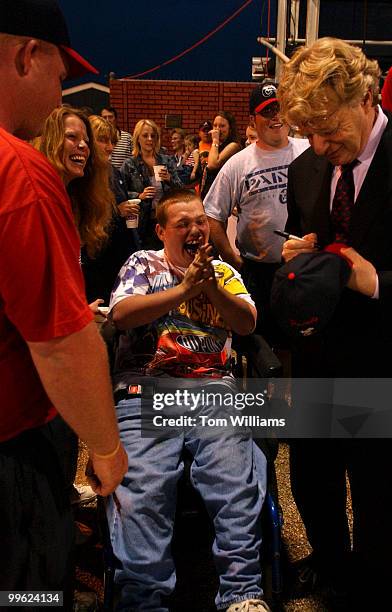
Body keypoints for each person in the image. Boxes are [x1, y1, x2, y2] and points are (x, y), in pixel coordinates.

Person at [0, 0, 127, 598]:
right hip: (13, 445)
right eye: (59, 74)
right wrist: (105, 448)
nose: (59, 94)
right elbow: (60, 345)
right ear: (28, 55)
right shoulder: (20, 174)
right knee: (30, 591)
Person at [107, 188, 270, 612]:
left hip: (212, 388)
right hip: (148, 389)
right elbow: (122, 316)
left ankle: (242, 594)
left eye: (201, 221)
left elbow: (247, 324)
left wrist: (209, 287)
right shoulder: (142, 263)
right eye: (184, 224)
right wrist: (183, 290)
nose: (197, 230)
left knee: (234, 479)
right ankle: (143, 600)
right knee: (144, 489)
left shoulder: (223, 271)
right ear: (162, 231)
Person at [277, 37, 392, 608]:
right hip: (320, 358)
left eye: (329, 127)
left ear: (366, 95)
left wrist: (375, 283)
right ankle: (330, 568)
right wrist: (304, 253)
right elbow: (312, 238)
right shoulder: (305, 168)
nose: (321, 145)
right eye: (310, 133)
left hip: (382, 364)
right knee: (314, 481)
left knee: (377, 492)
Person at [204, 82, 308, 342]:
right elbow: (212, 215)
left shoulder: (308, 150)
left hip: (303, 268)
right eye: (267, 111)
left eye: (279, 109)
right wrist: (234, 260)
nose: (276, 117)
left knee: (300, 339)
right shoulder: (239, 162)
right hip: (258, 272)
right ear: (253, 119)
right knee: (257, 341)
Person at [83, 114, 141, 304]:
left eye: (112, 141)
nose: (110, 146)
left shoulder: (112, 171)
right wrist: (118, 211)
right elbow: (86, 215)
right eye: (102, 140)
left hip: (117, 252)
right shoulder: (83, 174)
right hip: (97, 257)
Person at [120, 118, 182, 249]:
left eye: (153, 136)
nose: (149, 139)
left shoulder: (166, 160)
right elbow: (121, 194)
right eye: (145, 135)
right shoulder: (130, 164)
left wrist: (169, 179)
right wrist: (139, 195)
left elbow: (180, 190)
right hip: (141, 222)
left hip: (164, 219)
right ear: (137, 138)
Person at [200, 110, 241, 199]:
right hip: (207, 192)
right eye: (215, 125)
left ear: (230, 128)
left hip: (221, 196)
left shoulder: (233, 145)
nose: (217, 129)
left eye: (222, 126)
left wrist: (215, 140)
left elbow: (213, 164)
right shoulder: (216, 146)